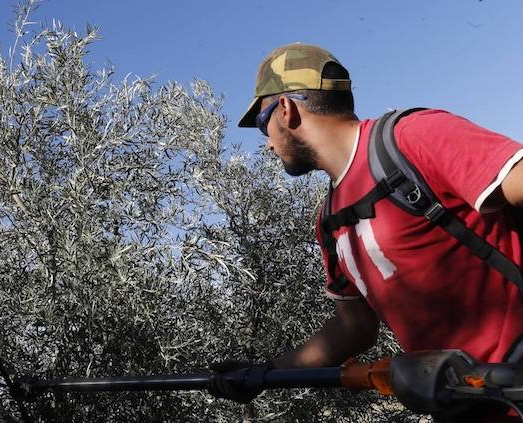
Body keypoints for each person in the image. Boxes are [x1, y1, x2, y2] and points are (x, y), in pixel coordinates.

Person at [211, 43, 523, 421]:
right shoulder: (330, 220)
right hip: (468, 412)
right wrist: (265, 373)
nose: (268, 145)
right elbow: (354, 328)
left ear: (286, 109)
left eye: (263, 124)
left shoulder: (411, 138)